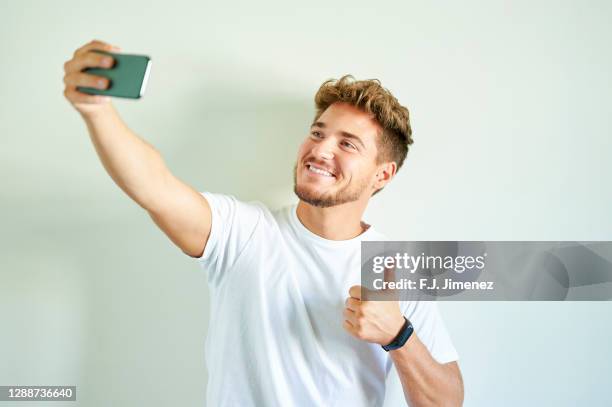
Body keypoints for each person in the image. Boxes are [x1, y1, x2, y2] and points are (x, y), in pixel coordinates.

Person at [63, 39, 464, 406]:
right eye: (317, 132)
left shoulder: (395, 272)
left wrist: (399, 336)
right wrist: (96, 110)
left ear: (382, 175)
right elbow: (155, 186)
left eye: (347, 143)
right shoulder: (243, 232)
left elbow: (447, 401)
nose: (320, 149)